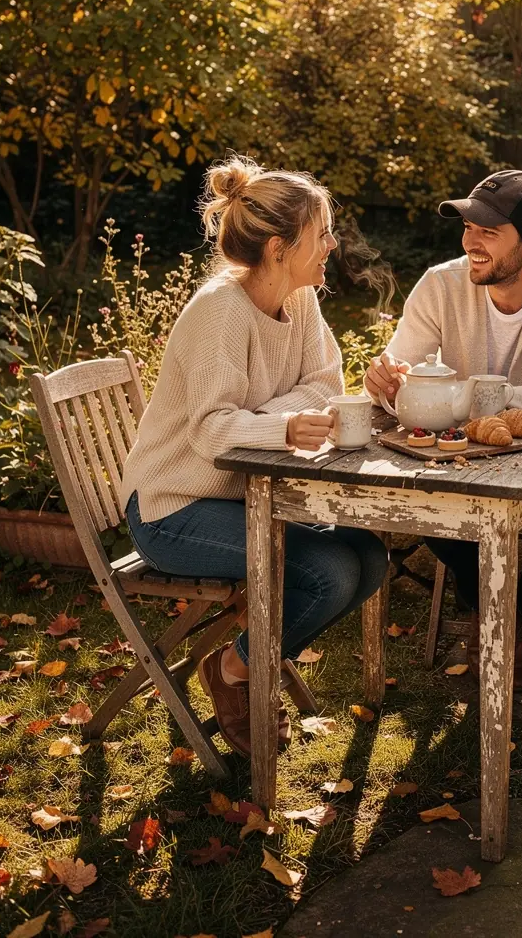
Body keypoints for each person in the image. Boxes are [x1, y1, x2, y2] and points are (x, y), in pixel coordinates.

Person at [121, 156, 389, 754]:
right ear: (278, 248)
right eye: (322, 234)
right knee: (330, 574)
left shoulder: (300, 298)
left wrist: (267, 419)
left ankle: (238, 664)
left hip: (242, 495)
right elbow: (212, 432)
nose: (332, 245)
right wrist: (283, 424)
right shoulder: (220, 312)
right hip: (173, 507)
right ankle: (235, 670)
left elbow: (326, 381)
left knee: (369, 556)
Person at [365, 169, 522, 691]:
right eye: (467, 228)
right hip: (461, 453)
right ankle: (489, 601)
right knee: (416, 491)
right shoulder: (440, 285)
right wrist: (384, 385)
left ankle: (521, 613)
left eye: (488, 231)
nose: (470, 242)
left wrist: (485, 401)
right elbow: (401, 377)